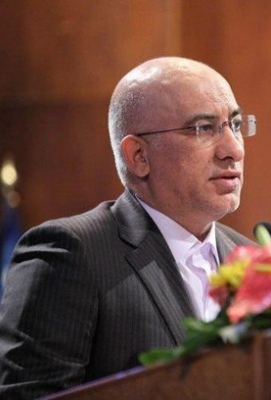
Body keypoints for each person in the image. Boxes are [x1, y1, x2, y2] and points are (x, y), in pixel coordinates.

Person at [0, 56, 256, 398]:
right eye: (204, 128)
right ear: (139, 156)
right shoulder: (70, 253)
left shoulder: (256, 261)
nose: (233, 149)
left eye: (235, 125)